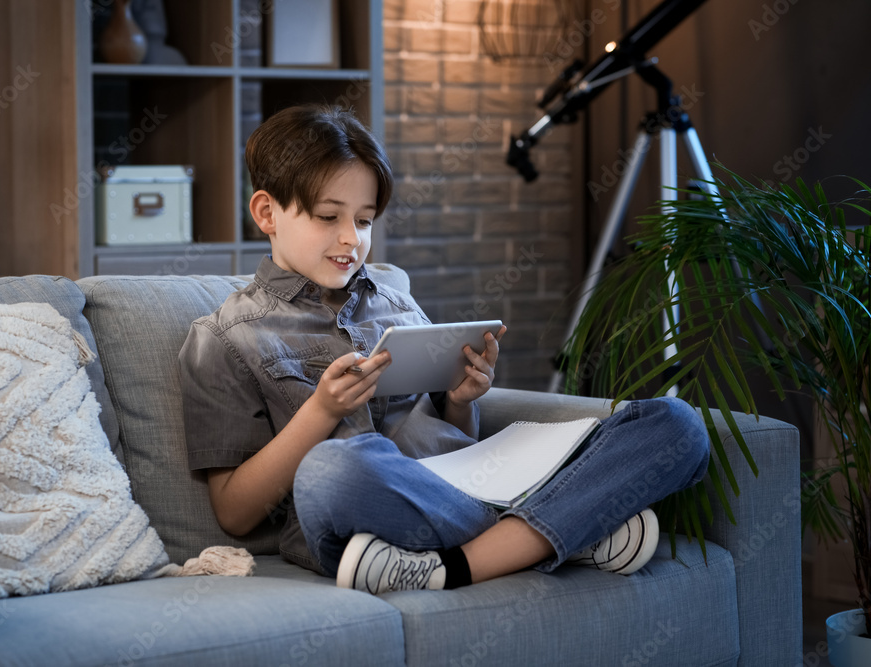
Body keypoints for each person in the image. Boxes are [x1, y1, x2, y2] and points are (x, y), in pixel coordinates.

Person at [178, 104, 711, 595]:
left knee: (677, 424)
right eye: (328, 216)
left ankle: (453, 565)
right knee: (335, 469)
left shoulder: (397, 304)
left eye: (363, 221)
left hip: (461, 487)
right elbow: (235, 512)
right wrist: (320, 412)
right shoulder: (224, 337)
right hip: (358, 507)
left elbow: (455, 449)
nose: (351, 240)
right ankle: (571, 529)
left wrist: (462, 399)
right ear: (267, 213)